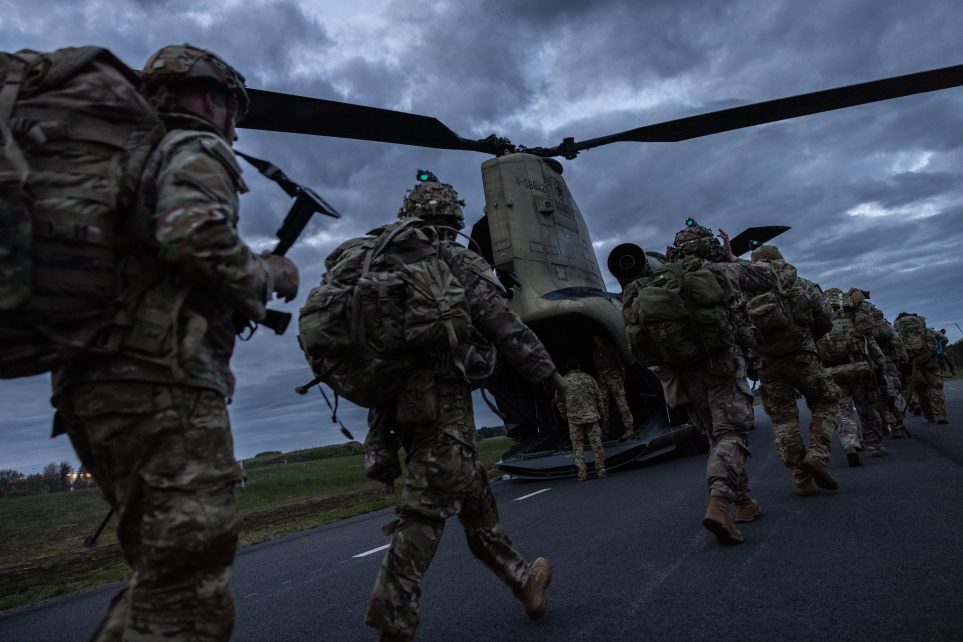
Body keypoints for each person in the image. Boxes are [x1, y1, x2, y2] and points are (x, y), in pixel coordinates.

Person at [49, 45, 298, 640]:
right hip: (162, 385)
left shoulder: (119, 165)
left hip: (92, 389)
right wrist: (269, 275)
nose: (231, 125)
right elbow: (193, 236)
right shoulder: (193, 145)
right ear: (216, 99)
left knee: (163, 575)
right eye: (231, 109)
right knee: (189, 590)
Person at [364, 178, 564, 642]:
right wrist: (553, 378)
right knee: (425, 513)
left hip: (393, 403)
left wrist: (378, 438)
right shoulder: (455, 259)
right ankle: (393, 622)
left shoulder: (378, 263)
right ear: (454, 220)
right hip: (443, 403)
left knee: (475, 500)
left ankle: (522, 581)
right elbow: (505, 326)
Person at [663, 222, 776, 544]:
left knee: (717, 436)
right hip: (723, 364)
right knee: (731, 434)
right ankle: (720, 502)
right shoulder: (722, 271)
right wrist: (731, 258)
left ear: (674, 252)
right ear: (711, 249)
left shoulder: (661, 282)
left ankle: (743, 503)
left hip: (684, 372)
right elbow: (769, 276)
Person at [749, 245, 840, 496]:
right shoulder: (802, 284)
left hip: (767, 363)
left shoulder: (746, 290)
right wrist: (808, 340)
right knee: (827, 402)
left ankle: (800, 477)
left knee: (783, 419)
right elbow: (826, 319)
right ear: (780, 259)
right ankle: (818, 455)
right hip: (803, 356)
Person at [818, 289, 888, 465]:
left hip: (832, 371)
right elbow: (869, 338)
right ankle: (875, 447)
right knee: (867, 409)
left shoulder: (819, 317)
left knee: (843, 411)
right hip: (859, 367)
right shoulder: (853, 313)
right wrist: (880, 363)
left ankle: (850, 444)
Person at [556, 356, 608, 480]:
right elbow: (599, 397)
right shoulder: (590, 379)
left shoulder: (563, 381)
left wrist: (564, 415)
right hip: (591, 416)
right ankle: (601, 470)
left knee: (577, 445)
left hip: (574, 418)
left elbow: (559, 402)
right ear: (579, 365)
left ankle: (582, 473)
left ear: (567, 367)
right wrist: (603, 413)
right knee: (596, 444)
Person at [591, 334, 635, 440]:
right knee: (603, 404)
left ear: (603, 338)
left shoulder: (611, 348)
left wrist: (621, 375)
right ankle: (604, 430)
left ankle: (629, 428)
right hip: (602, 377)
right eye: (595, 340)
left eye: (598, 339)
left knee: (621, 402)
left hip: (613, 375)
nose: (597, 341)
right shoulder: (595, 351)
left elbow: (620, 362)